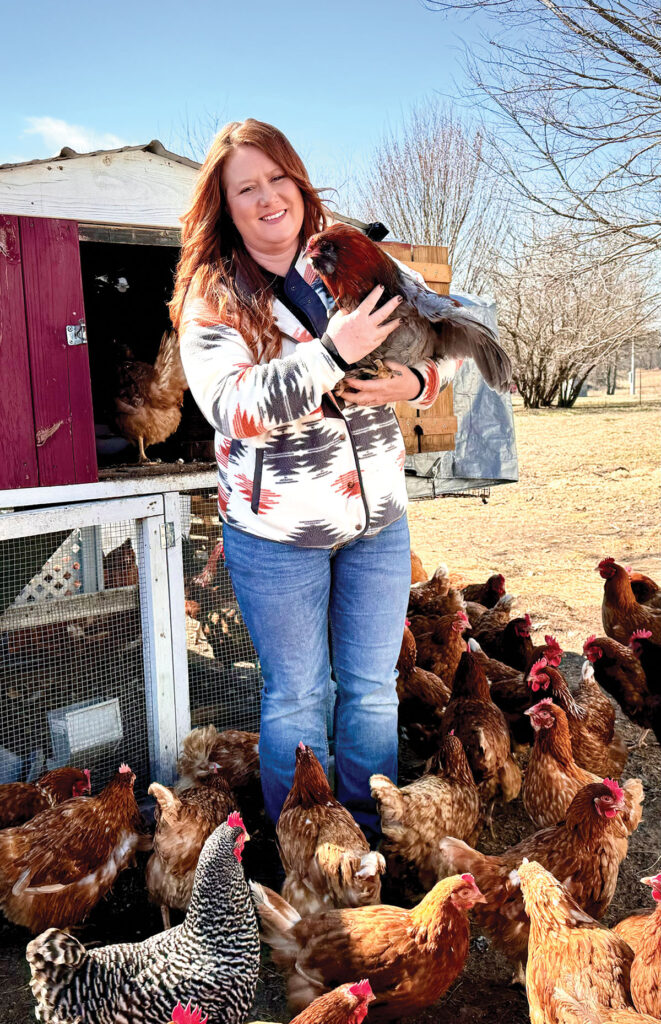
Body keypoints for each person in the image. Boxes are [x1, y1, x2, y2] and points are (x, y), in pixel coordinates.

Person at [171, 119, 456, 841]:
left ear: (298, 181)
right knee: (298, 698)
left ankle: (362, 846)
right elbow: (230, 408)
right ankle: (305, 850)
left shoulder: (352, 251)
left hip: (377, 525)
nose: (267, 198)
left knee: (368, 694)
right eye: (246, 188)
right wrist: (333, 353)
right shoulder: (214, 295)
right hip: (277, 534)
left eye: (277, 179)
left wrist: (417, 381)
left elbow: (454, 331)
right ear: (225, 205)